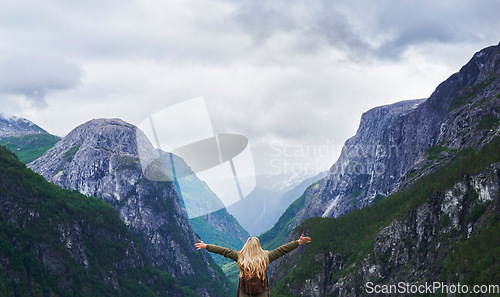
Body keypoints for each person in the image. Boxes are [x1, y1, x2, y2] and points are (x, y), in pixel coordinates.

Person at [194, 234, 312, 297]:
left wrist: (206, 246)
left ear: (246, 246)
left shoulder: (240, 257)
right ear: (258, 246)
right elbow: (282, 250)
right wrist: (298, 242)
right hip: (262, 291)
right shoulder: (266, 257)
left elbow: (224, 251)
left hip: (244, 291)